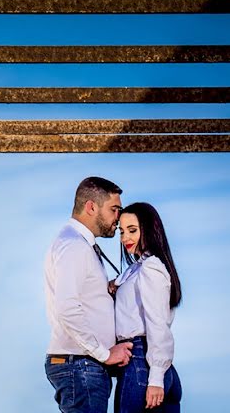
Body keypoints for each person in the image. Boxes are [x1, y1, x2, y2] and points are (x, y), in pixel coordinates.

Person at [45, 176, 132, 412]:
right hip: (81, 365)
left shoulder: (78, 244)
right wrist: (104, 354)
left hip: (82, 365)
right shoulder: (74, 245)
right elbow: (67, 308)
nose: (119, 218)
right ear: (91, 207)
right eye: (114, 209)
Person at [110, 202, 183, 412]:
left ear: (149, 229)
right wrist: (114, 285)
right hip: (150, 364)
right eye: (121, 232)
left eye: (132, 230)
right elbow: (125, 280)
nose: (125, 238)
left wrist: (156, 378)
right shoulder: (138, 268)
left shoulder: (151, 268)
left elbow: (157, 324)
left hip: (143, 363)